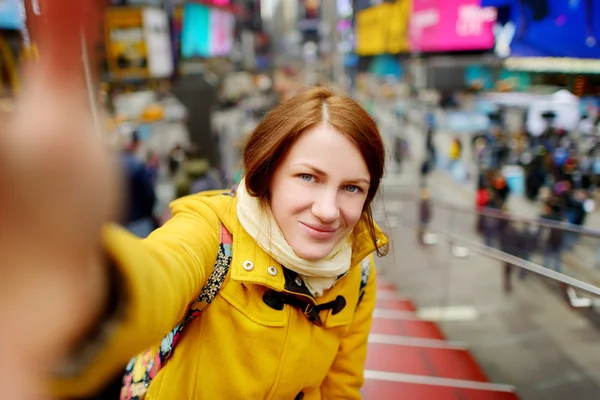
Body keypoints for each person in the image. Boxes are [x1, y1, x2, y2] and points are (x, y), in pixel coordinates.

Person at [0, 28, 389, 399]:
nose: (327, 210)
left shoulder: (357, 268)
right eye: (307, 177)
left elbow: (341, 387)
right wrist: (74, 272)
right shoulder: (212, 231)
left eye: (352, 188)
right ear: (268, 173)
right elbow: (156, 275)